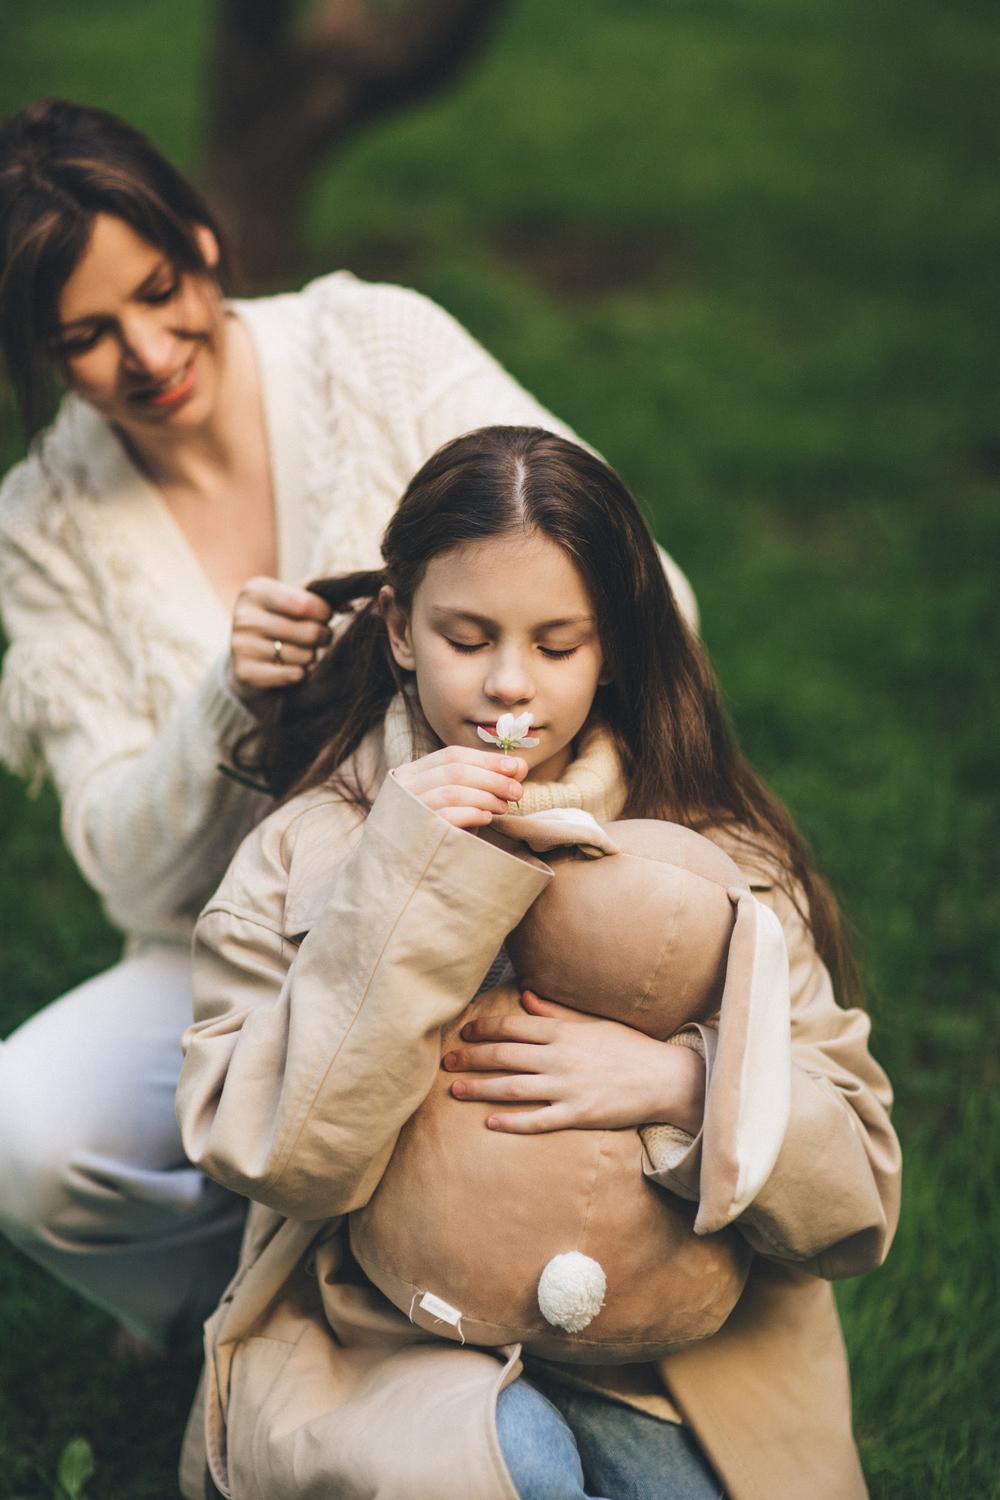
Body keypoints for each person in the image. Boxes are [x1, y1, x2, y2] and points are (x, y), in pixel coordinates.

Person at [0, 98, 698, 1354]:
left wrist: (455, 648)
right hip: (239, 935)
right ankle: (236, 1309)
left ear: (205, 240)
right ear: (40, 354)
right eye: (88, 338)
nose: (151, 352)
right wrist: (226, 703)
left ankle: (456, 1293)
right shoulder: (41, 526)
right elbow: (128, 868)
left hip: (502, 889)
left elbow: (647, 595)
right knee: (29, 1139)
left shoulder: (369, 346)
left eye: (161, 289)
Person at [175, 426, 901, 1500]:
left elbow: (857, 1197)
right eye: (466, 636)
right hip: (385, 1340)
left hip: (666, 1357)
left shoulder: (717, 856)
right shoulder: (304, 851)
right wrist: (404, 882)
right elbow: (277, 1153)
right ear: (400, 630)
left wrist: (689, 1085)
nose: (510, 687)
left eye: (558, 646)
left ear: (612, 649)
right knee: (508, 1474)